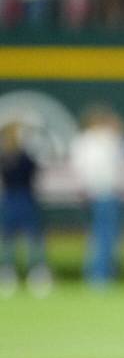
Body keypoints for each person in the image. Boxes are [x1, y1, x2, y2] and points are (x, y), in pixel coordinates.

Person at [70, 104, 124, 287]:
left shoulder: (85, 141)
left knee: (100, 235)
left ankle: (100, 274)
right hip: (102, 193)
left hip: (96, 193)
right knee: (103, 235)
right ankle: (100, 274)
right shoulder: (104, 140)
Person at [0, 122, 52, 297]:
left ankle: (36, 273)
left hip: (23, 198)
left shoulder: (22, 157)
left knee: (31, 238)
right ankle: (8, 273)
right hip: (14, 198)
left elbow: (33, 171)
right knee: (10, 239)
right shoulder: (9, 157)